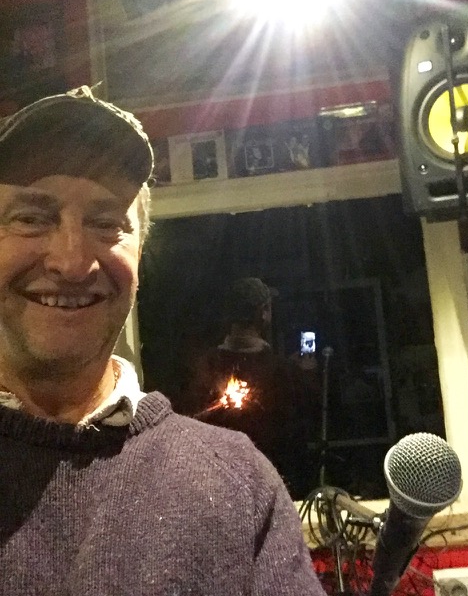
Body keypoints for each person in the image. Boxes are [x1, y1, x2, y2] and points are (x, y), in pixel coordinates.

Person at [0, 86, 325, 594]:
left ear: (140, 252)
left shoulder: (239, 483)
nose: (72, 262)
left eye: (107, 223)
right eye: (31, 219)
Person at [182, 277, 310, 499]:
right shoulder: (282, 372)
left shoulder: (203, 367)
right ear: (263, 313)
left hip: (217, 488)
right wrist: (307, 375)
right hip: (274, 488)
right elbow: (299, 431)